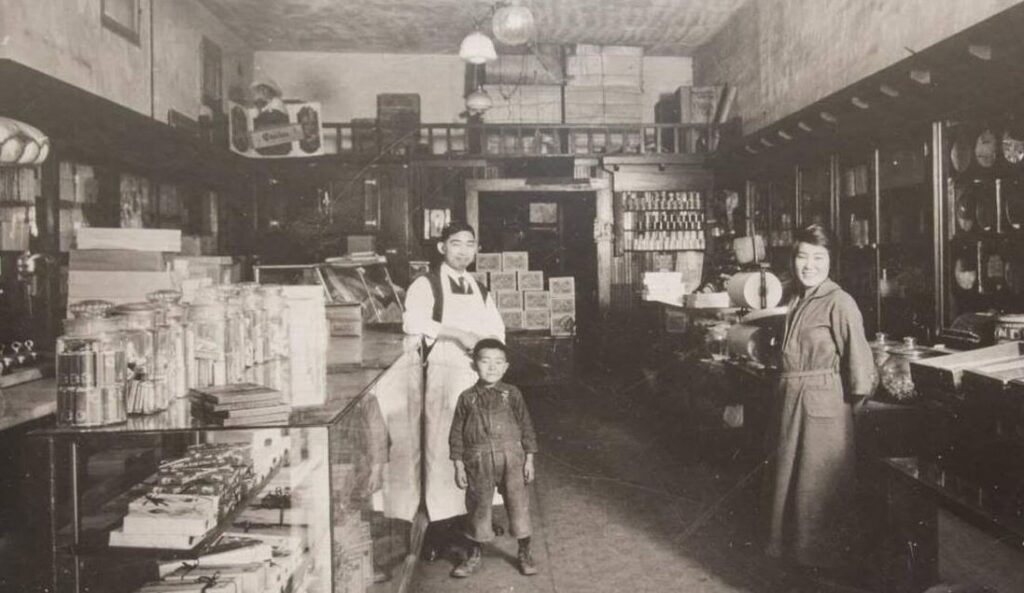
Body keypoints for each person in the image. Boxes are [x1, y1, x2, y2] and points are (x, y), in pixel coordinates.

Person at [763, 224, 874, 580]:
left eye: (818, 258)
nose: (809, 265)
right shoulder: (797, 297)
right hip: (793, 400)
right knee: (792, 482)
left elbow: (860, 364)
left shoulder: (839, 301)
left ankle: (826, 569)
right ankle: (799, 563)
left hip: (824, 406)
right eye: (802, 257)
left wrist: (852, 416)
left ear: (831, 261)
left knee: (820, 486)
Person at [402, 222, 505, 557]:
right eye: (456, 243)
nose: (463, 250)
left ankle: (473, 522)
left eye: (470, 244)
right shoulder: (426, 283)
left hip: (478, 382)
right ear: (441, 248)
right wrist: (456, 333)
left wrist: (489, 358)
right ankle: (439, 529)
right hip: (445, 378)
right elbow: (412, 322)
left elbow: (496, 332)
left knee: (478, 449)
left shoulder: (479, 288)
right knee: (444, 449)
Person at [448, 338, 538, 578]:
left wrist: (529, 459)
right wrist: (458, 465)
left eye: (498, 362)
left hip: (512, 459)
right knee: (478, 508)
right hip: (478, 461)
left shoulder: (513, 394)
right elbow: (456, 434)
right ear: (473, 365)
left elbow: (527, 427)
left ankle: (524, 552)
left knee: (518, 505)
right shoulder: (467, 398)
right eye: (485, 361)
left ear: (506, 367)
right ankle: (474, 555)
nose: (492, 367)